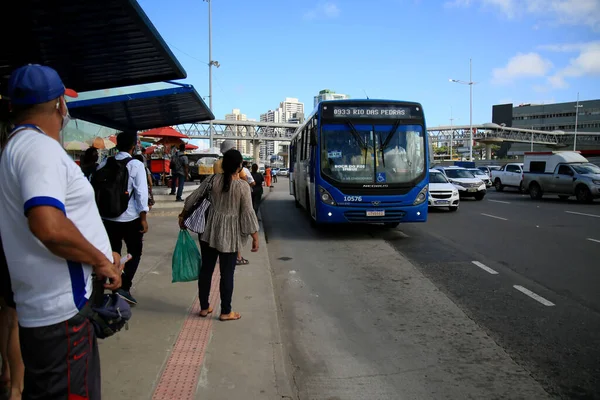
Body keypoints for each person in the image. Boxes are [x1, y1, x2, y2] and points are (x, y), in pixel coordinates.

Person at [0, 64, 121, 399]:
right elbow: (48, 226)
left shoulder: (17, 146)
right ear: (58, 105)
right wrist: (101, 261)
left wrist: (97, 250)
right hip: (61, 318)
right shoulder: (40, 149)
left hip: (46, 312)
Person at [178, 149, 259, 321]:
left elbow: (193, 198)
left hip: (208, 231)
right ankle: (225, 311)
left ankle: (204, 307)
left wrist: (183, 215)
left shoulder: (212, 180)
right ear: (239, 166)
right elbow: (248, 214)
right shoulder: (243, 187)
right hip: (230, 235)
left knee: (206, 269)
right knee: (227, 273)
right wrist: (255, 236)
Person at [97, 131, 149, 305]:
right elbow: (141, 193)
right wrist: (143, 218)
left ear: (117, 145)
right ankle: (124, 287)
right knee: (135, 251)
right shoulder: (135, 164)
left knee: (113, 252)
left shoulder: (105, 162)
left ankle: (110, 284)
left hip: (107, 217)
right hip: (130, 217)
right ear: (133, 146)